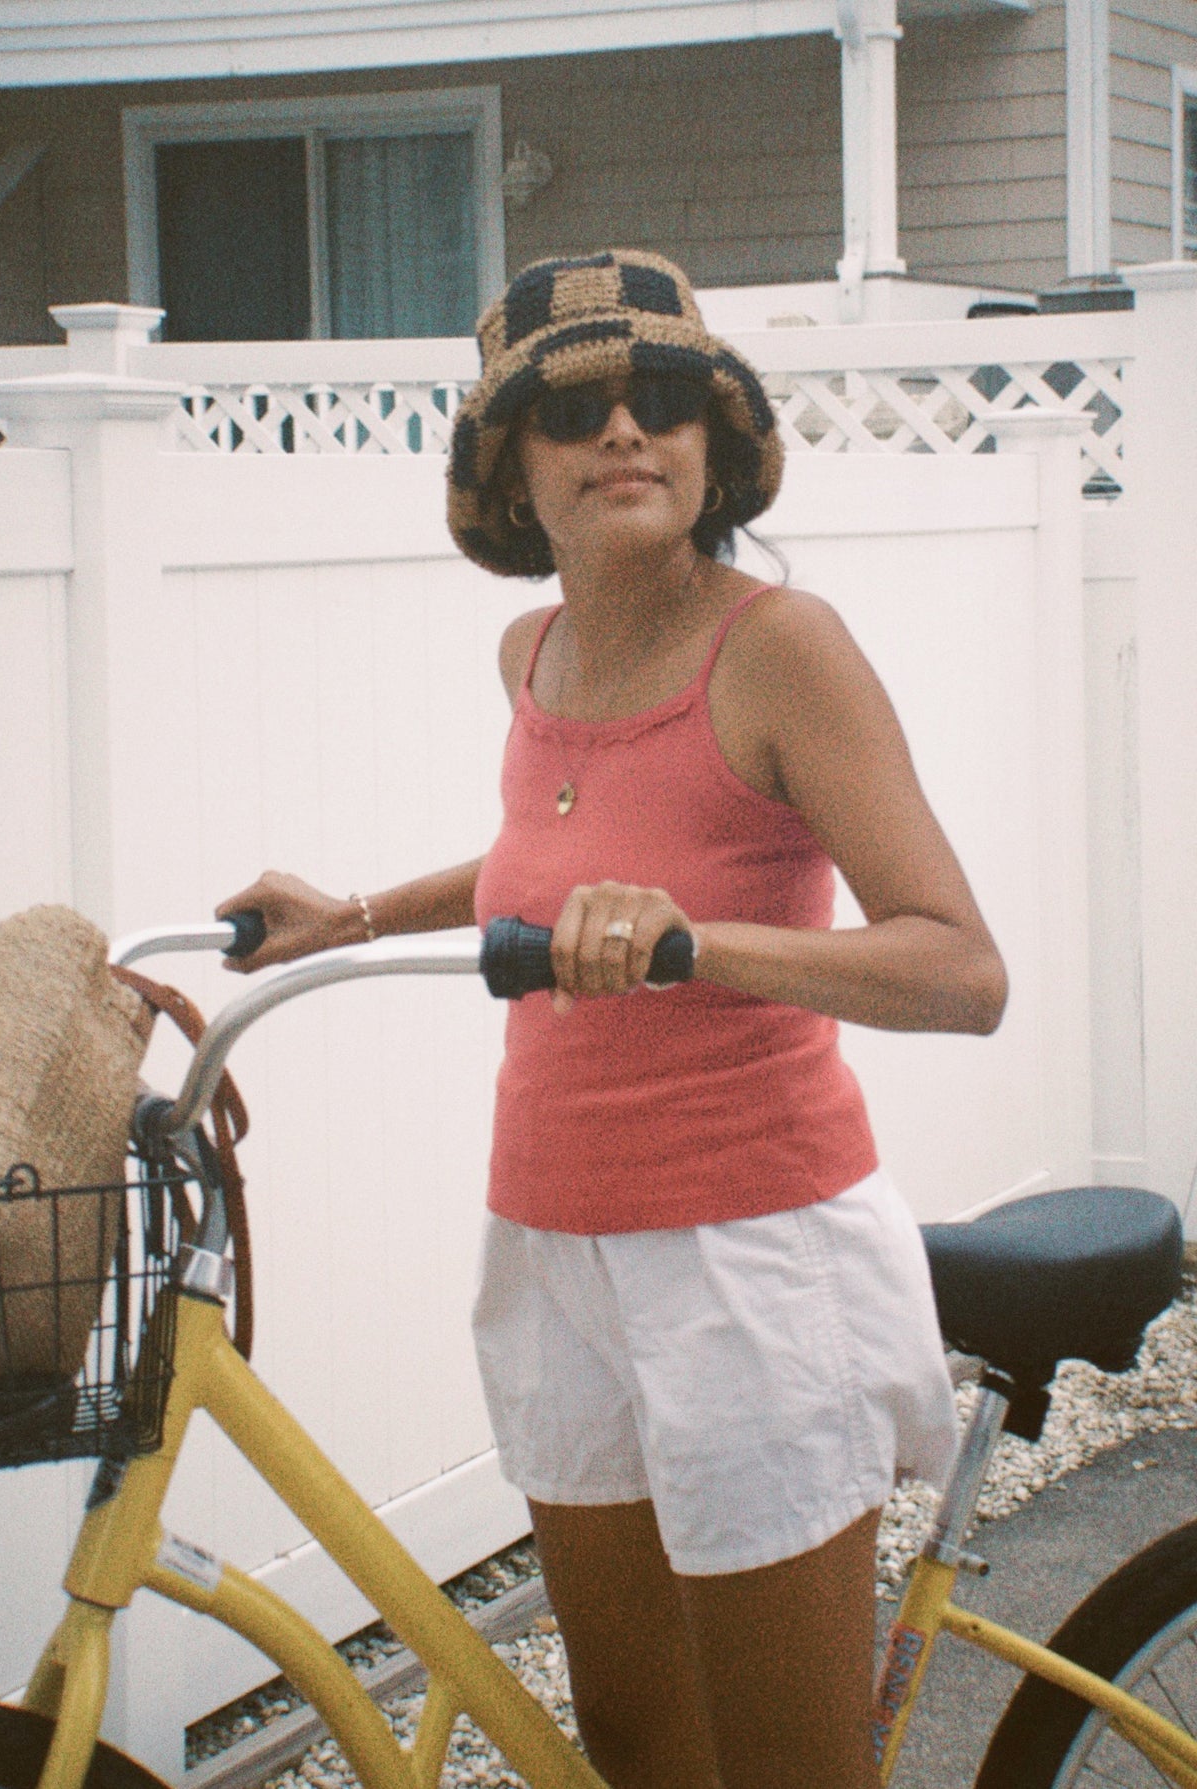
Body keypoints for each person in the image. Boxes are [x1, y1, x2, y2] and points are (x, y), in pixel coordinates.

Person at [218, 249, 1008, 1789]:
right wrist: (358, 912)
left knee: (789, 1770)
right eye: (573, 406)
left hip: (749, 1256)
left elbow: (960, 967)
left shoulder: (779, 646)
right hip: (551, 1244)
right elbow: (553, 869)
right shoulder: (537, 654)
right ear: (513, 466)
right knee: (643, 1756)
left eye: (662, 399)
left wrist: (691, 942)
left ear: (716, 443)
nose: (624, 433)